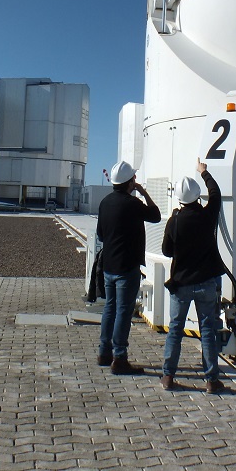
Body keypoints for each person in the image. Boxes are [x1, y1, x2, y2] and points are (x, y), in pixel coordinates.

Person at [159, 159, 226, 393]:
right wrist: (204, 173)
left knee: (175, 330)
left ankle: (168, 377)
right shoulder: (208, 216)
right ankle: (211, 380)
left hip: (181, 284)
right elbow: (216, 194)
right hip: (206, 282)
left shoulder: (174, 221)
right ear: (198, 197)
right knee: (207, 330)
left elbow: (167, 251)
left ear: (179, 198)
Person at [96, 160, 161, 375]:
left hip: (109, 266)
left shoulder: (105, 202)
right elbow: (155, 215)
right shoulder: (132, 204)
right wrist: (143, 193)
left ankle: (104, 353)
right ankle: (120, 358)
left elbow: (100, 235)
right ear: (130, 182)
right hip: (127, 268)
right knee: (123, 312)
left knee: (110, 308)